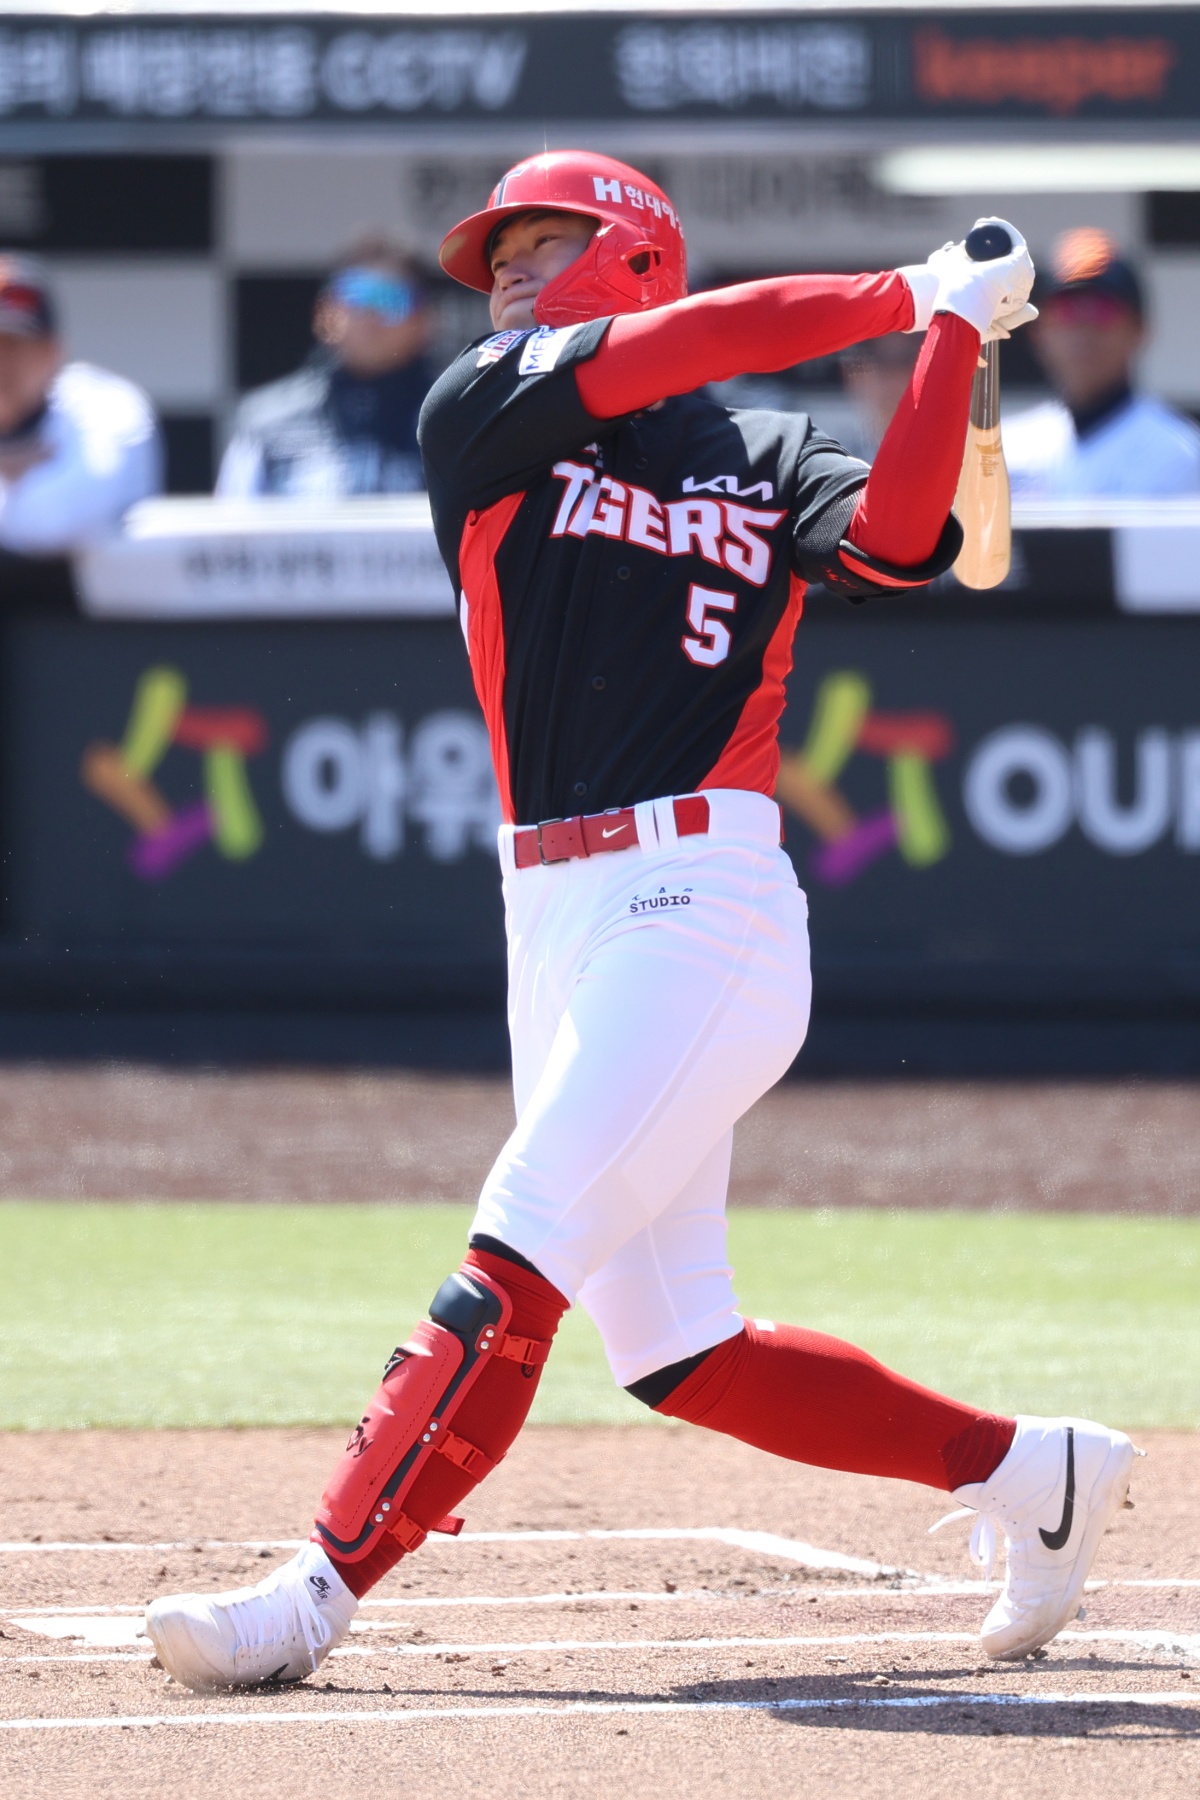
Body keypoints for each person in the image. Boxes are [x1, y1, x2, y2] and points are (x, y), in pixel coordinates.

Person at [146, 153, 1136, 1692]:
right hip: (548, 905)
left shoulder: (767, 449)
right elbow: (695, 341)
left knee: (518, 1244)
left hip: (704, 902)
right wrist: (907, 291)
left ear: (632, 253)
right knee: (678, 1350)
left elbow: (898, 544)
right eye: (498, 250)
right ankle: (1032, 1471)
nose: (504, 272)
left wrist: (949, 336)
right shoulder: (482, 404)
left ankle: (315, 1591)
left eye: (543, 242)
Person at [216, 237, 436, 499]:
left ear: (426, 320)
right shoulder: (268, 421)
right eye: (356, 294)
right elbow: (233, 519)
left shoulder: (454, 419)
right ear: (325, 313)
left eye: (391, 298)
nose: (370, 316)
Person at [1004, 226, 1200, 498]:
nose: (1084, 329)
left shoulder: (1178, 453)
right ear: (1038, 332)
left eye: (1101, 310)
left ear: (1140, 329)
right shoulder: (1007, 448)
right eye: (1066, 311)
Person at [0, 254, 160, 555]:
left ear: (52, 353)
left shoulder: (107, 406)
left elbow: (50, 522)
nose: (2, 363)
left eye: (14, 345)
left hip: (77, 587)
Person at [838, 330, 923, 463]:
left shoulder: (951, 457)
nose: (892, 376)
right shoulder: (836, 460)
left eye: (905, 361)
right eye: (878, 361)